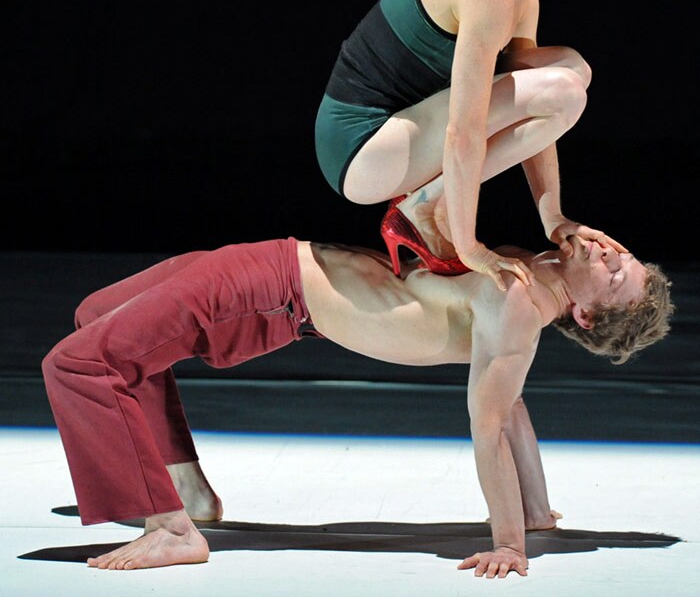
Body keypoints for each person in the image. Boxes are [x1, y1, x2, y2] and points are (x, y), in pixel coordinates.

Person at [41, 234, 673, 576]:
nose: (613, 256)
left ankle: (172, 529)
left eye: (618, 277)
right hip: (274, 265)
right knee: (95, 319)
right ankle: (191, 496)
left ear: (586, 317)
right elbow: (513, 409)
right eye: (624, 255)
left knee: (77, 362)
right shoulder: (522, 272)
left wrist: (509, 543)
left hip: (270, 288)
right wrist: (535, 513)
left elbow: (488, 421)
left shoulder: (516, 309)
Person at [315, 0, 619, 288]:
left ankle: (427, 200)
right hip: (360, 152)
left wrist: (552, 217)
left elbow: (528, 104)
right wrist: (469, 244)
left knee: (570, 72)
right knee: (564, 87)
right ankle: (423, 207)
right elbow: (465, 128)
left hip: (402, 135)